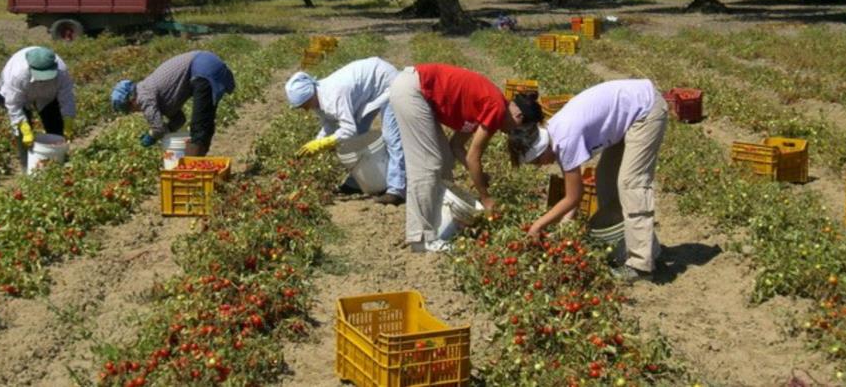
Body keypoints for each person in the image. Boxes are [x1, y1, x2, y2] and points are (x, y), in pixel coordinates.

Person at [507, 79, 667, 283]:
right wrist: (565, 227)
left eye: (537, 161)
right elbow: (572, 193)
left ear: (541, 149)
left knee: (631, 183)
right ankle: (640, 246)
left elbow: (574, 197)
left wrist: (537, 226)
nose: (541, 166)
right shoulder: (556, 133)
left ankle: (641, 265)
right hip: (628, 115)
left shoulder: (565, 140)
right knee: (606, 179)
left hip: (645, 109)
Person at [389, 63, 539, 252]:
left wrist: (479, 175)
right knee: (427, 165)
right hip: (413, 90)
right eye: (515, 130)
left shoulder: (491, 105)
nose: (510, 133)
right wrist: (485, 197)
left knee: (444, 160)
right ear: (518, 115)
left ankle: (438, 225)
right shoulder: (496, 107)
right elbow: (473, 157)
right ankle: (421, 239)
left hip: (416, 91)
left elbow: (456, 146)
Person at [285, 57, 406, 205]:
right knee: (356, 138)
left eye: (304, 105)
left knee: (391, 137)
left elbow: (349, 129)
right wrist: (315, 143)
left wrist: (325, 143)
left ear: (310, 95)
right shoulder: (318, 99)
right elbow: (329, 126)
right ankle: (357, 182)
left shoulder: (334, 95)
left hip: (387, 83)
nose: (305, 109)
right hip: (368, 91)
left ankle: (397, 190)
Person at [110, 51, 235, 156]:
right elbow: (180, 119)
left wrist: (151, 136)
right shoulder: (152, 93)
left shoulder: (143, 96)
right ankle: (199, 165)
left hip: (203, 68)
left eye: (129, 108)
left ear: (131, 99)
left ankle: (192, 171)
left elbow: (157, 128)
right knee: (204, 122)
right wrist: (168, 129)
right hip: (207, 63)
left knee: (199, 126)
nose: (134, 111)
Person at [0, 46, 76, 169]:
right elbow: (14, 104)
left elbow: (67, 97)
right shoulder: (17, 74)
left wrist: (68, 119)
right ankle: (27, 166)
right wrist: (24, 128)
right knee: (24, 133)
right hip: (22, 95)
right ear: (30, 68)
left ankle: (56, 161)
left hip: (49, 94)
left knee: (55, 124)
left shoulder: (61, 72)